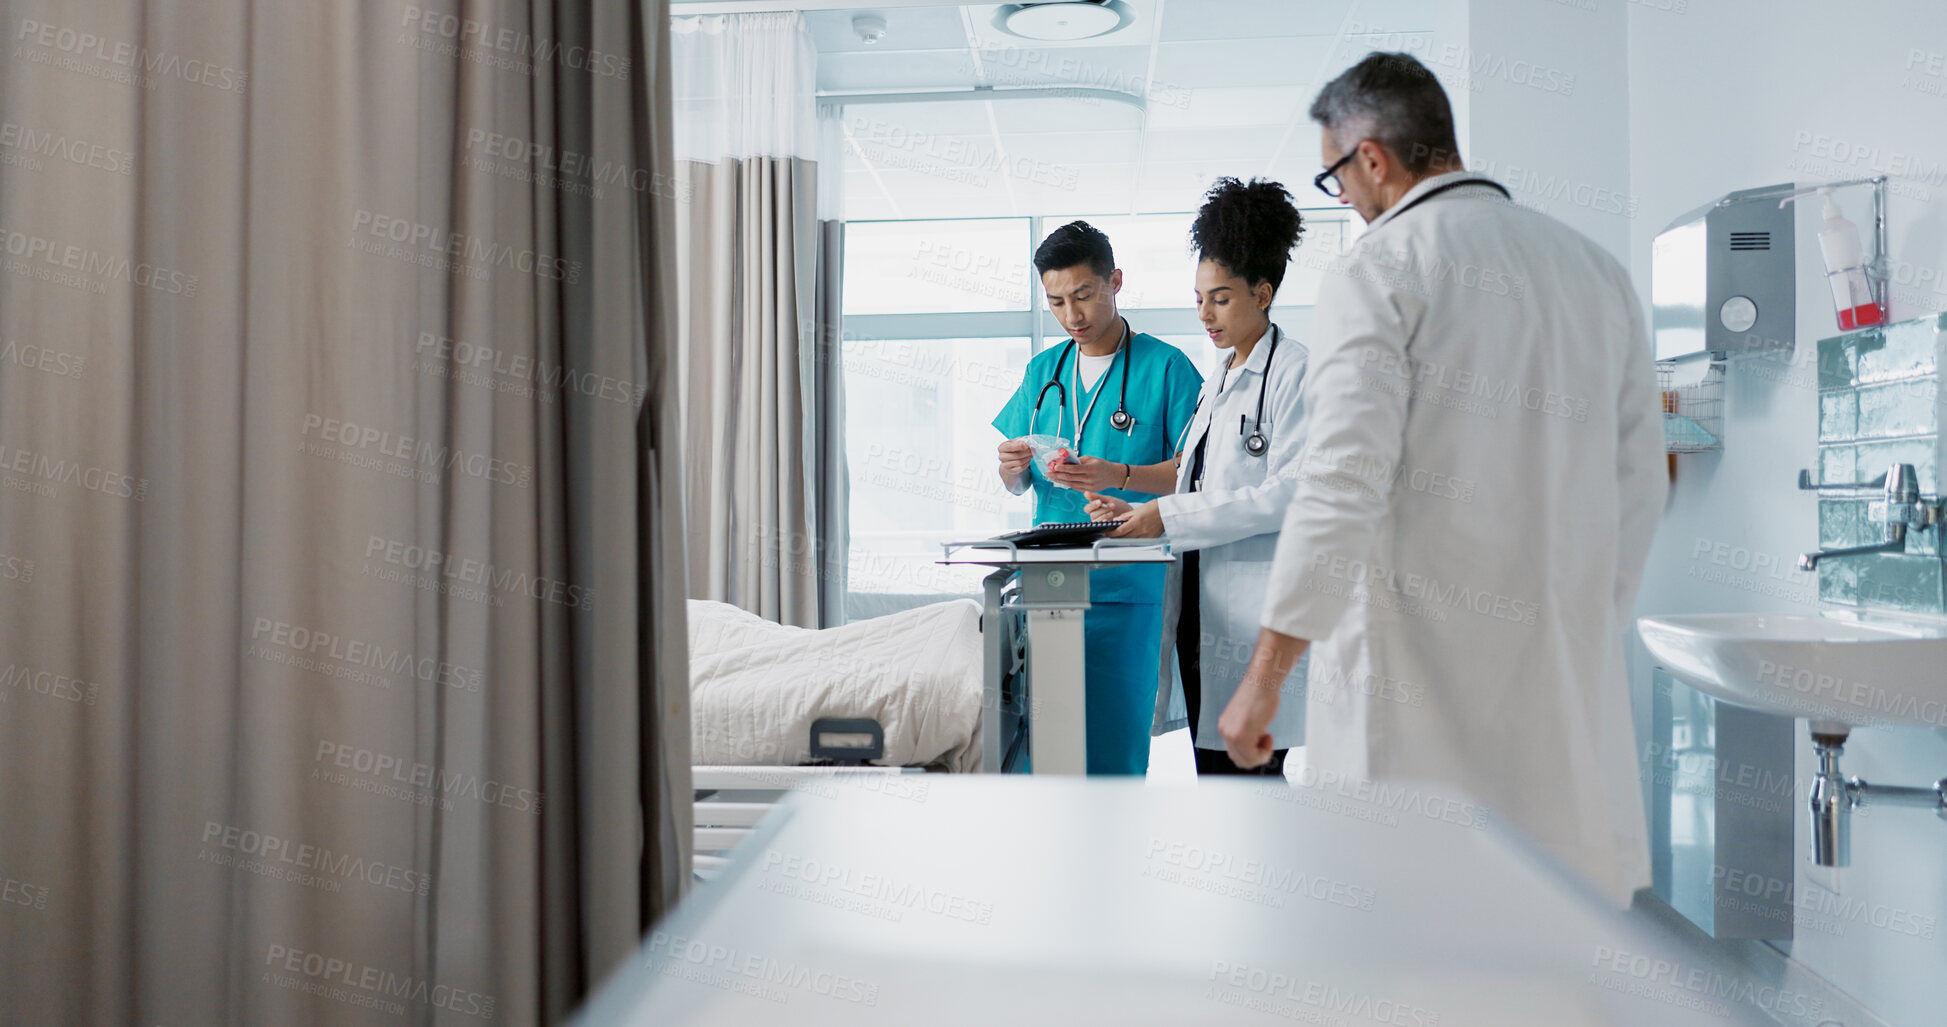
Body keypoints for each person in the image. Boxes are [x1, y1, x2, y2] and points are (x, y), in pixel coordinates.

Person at [1218, 53, 1666, 906]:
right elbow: (1641, 483)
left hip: (1412, 703)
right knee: (1552, 946)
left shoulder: (1377, 269)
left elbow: (1340, 481)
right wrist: (1580, 626)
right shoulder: (1593, 270)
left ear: (1373, 158)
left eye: (1334, 176)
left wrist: (1265, 675)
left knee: (1419, 944)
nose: (1341, 197)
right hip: (1559, 701)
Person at [1082, 178, 1310, 777]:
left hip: (1253, 615)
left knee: (1251, 786)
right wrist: (1128, 504)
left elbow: (1289, 494)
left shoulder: (1295, 374)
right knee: (1220, 781)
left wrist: (1170, 516)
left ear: (1263, 294)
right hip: (1204, 612)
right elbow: (1194, 476)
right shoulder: (1222, 375)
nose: (1205, 314)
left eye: (1222, 298)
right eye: (1200, 298)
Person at [992, 221, 1203, 776]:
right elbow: (1020, 480)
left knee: (1113, 745)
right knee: (1040, 744)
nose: (1072, 316)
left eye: (1084, 295)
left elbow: (1194, 472)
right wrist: (1011, 470)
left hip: (1128, 577)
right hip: (1048, 575)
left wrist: (1121, 472)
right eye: (1056, 302)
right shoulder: (1045, 370)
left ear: (1115, 281)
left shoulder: (1167, 367)